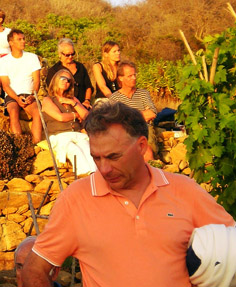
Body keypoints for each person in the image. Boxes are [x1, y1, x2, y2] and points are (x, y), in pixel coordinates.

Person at [21, 102, 235, 287]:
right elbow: (35, 269)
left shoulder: (184, 190)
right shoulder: (75, 199)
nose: (104, 169)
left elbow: (230, 244)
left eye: (114, 157)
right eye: (97, 157)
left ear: (142, 146)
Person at [42, 69, 96, 175]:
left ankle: (95, 176)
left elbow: (86, 115)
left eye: (69, 80)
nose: (66, 81)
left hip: (77, 134)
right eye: (63, 78)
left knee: (87, 148)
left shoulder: (73, 99)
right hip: (59, 136)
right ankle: (84, 175)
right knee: (74, 150)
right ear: (55, 80)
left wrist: (72, 102)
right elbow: (60, 117)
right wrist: (76, 115)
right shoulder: (48, 100)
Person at [0, 29, 42, 143]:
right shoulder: (3, 61)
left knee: (37, 112)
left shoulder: (32, 57)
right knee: (13, 111)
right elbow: (5, 85)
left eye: (23, 39)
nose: (23, 41)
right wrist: (17, 98)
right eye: (19, 39)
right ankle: (19, 143)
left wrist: (33, 95)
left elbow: (37, 81)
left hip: (28, 94)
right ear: (11, 43)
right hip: (12, 95)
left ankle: (35, 143)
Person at [109, 61, 157, 161]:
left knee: (146, 151)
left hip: (144, 130)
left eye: (134, 75)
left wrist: (127, 116)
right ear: (121, 78)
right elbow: (115, 121)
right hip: (126, 133)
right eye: (130, 76)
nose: (134, 78)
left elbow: (152, 113)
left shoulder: (143, 93)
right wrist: (141, 115)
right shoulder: (114, 98)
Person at [46, 38, 93, 109]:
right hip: (63, 106)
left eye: (72, 54)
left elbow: (88, 87)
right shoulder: (54, 70)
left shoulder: (80, 67)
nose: (71, 57)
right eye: (67, 55)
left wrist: (87, 101)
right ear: (60, 54)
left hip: (83, 105)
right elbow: (53, 92)